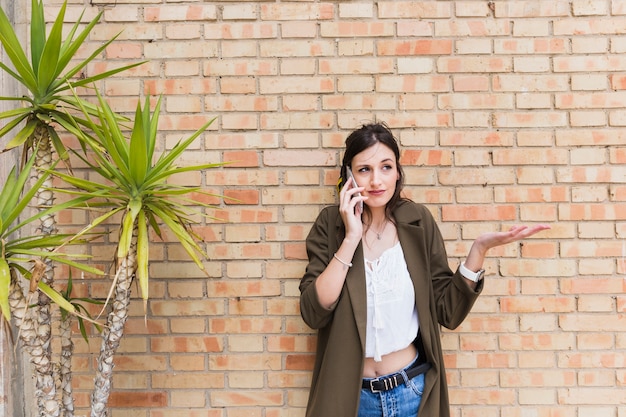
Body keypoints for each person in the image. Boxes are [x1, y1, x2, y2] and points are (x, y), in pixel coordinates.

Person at [299, 123, 549, 417]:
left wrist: (478, 250)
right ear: (349, 176)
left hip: (412, 393)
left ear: (398, 172)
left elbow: (448, 312)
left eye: (386, 167)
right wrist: (352, 237)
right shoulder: (331, 226)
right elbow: (315, 311)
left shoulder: (417, 221)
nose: (377, 180)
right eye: (364, 169)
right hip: (351, 399)